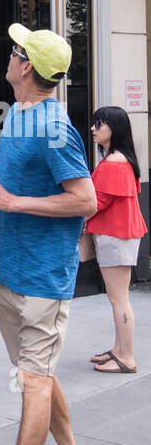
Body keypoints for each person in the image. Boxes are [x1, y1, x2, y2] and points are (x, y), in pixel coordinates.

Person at [0, 25, 96, 445]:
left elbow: (86, 199)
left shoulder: (56, 129)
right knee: (36, 374)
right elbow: (14, 175)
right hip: (9, 270)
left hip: (42, 277)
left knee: (34, 380)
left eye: (16, 51)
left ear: (28, 68)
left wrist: (12, 201)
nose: (10, 54)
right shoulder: (19, 113)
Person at [84, 106, 146, 373]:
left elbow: (97, 202)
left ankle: (126, 357)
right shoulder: (123, 159)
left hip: (115, 235)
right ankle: (119, 351)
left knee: (119, 298)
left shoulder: (114, 162)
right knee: (117, 297)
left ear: (114, 128)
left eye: (99, 124)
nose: (93, 129)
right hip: (119, 234)